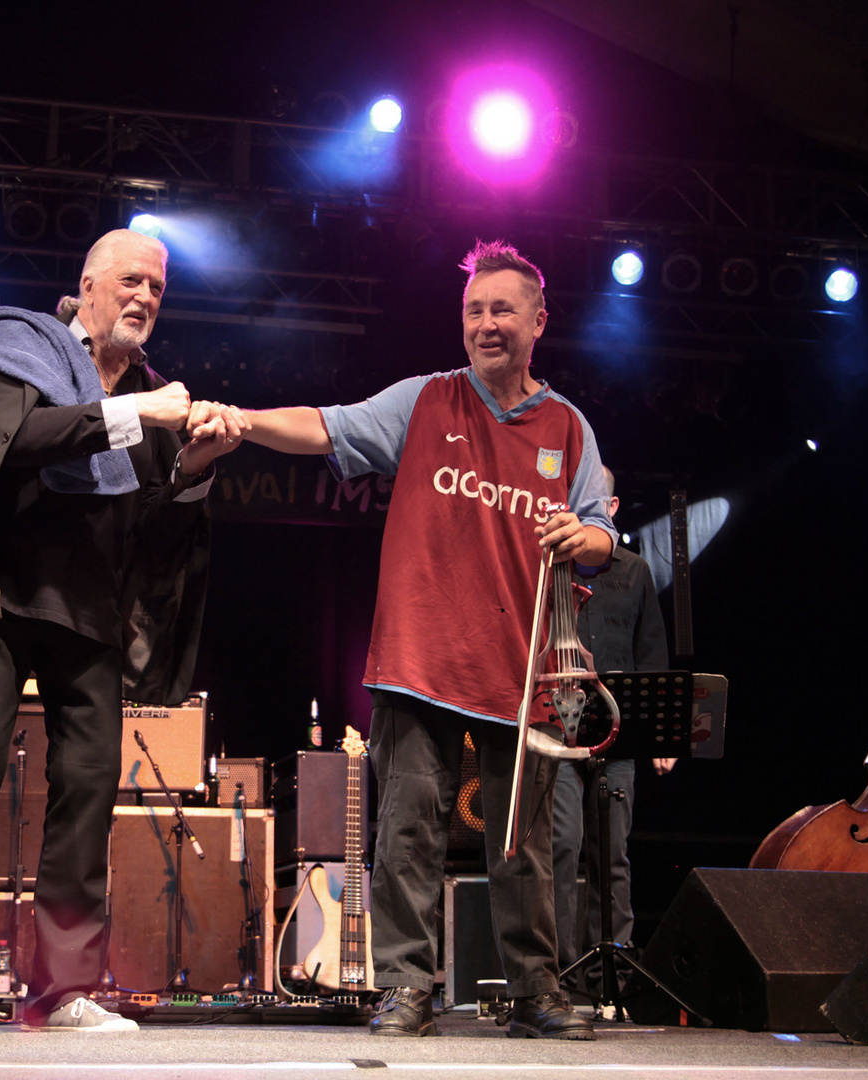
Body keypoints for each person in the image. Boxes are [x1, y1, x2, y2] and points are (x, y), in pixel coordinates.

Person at [213, 240, 615, 1039]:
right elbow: (326, 428)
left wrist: (583, 537)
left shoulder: (568, 428)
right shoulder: (426, 401)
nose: (486, 324)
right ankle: (405, 987)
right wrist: (244, 420)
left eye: (503, 309)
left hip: (522, 673)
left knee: (524, 846)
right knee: (405, 833)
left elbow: (604, 533)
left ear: (539, 319)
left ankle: (534, 990)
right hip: (419, 664)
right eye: (474, 310)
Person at [0, 229, 246, 1035]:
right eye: (131, 281)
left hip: (89, 612)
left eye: (157, 288)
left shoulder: (154, 395)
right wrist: (134, 413)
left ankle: (60, 990)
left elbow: (149, 527)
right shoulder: (20, 344)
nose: (145, 298)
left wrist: (191, 467)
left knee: (88, 791)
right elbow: (12, 444)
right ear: (86, 283)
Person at [550, 465, 670, 1012]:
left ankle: (612, 978)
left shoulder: (635, 571)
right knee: (561, 847)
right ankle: (556, 977)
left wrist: (659, 734)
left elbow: (651, 652)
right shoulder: (548, 565)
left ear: (612, 506)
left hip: (618, 735)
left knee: (612, 855)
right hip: (559, 731)